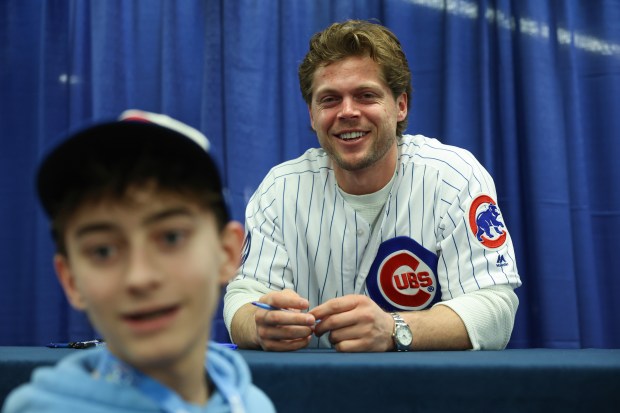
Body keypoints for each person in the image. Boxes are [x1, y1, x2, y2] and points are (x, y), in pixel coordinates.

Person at [224, 20, 522, 352]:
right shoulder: (279, 190)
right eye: (330, 100)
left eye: (366, 96)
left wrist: (396, 329)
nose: (347, 112)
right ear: (311, 114)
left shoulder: (454, 176)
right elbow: (241, 298)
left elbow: (496, 308)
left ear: (400, 105)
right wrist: (259, 324)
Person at [2, 110, 275, 412]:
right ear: (71, 280)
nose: (139, 277)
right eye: (103, 251)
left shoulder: (252, 404)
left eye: (171, 237)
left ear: (227, 254)